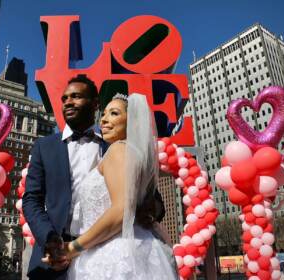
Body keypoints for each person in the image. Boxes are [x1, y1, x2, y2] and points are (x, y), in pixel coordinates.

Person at [23, 76, 165, 279]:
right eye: (64, 99)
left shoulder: (117, 143)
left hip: (108, 253)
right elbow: (31, 200)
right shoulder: (44, 147)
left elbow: (149, 196)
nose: (68, 102)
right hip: (53, 259)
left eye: (76, 96)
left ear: (95, 103)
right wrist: (50, 239)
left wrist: (149, 209)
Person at [61, 93, 178, 279]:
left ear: (133, 122)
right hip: (128, 247)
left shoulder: (118, 150)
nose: (104, 120)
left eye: (114, 113)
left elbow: (121, 209)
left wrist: (74, 247)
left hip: (114, 256)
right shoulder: (133, 154)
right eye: (104, 114)